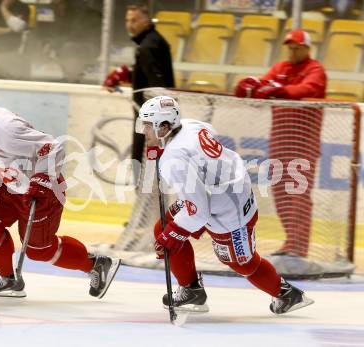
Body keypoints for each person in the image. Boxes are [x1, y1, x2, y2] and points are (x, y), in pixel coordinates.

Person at [136, 95, 314, 314]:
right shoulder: (190, 125)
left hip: (229, 210)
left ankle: (287, 294)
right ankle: (191, 291)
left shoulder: (174, 160)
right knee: (163, 227)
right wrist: (169, 148)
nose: (143, 131)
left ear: (164, 127)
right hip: (223, 192)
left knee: (242, 263)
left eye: (147, 125)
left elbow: (198, 212)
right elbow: (208, 132)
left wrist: (173, 235)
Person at [0, 82, 120, 298]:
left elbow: (53, 148)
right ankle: (9, 280)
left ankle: (96, 264)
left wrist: (41, 180)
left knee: (38, 251)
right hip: (8, 184)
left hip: (43, 190)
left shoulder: (7, 129)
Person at [235, 29, 327, 257]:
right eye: (290, 48)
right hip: (281, 139)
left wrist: (280, 89)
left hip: (304, 142)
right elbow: (265, 84)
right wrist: (252, 86)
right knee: (280, 191)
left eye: (297, 47)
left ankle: (299, 246)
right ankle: (290, 241)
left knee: (298, 193)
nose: (293, 52)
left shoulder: (315, 69)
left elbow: (309, 89)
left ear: (307, 48)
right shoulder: (280, 68)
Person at [103, 4, 174, 180]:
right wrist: (126, 74)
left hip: (150, 121)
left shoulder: (147, 47)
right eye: (127, 20)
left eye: (134, 20)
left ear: (146, 21)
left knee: (142, 168)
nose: (129, 24)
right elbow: (151, 75)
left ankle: (147, 207)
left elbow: (158, 85)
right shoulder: (152, 41)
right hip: (155, 119)